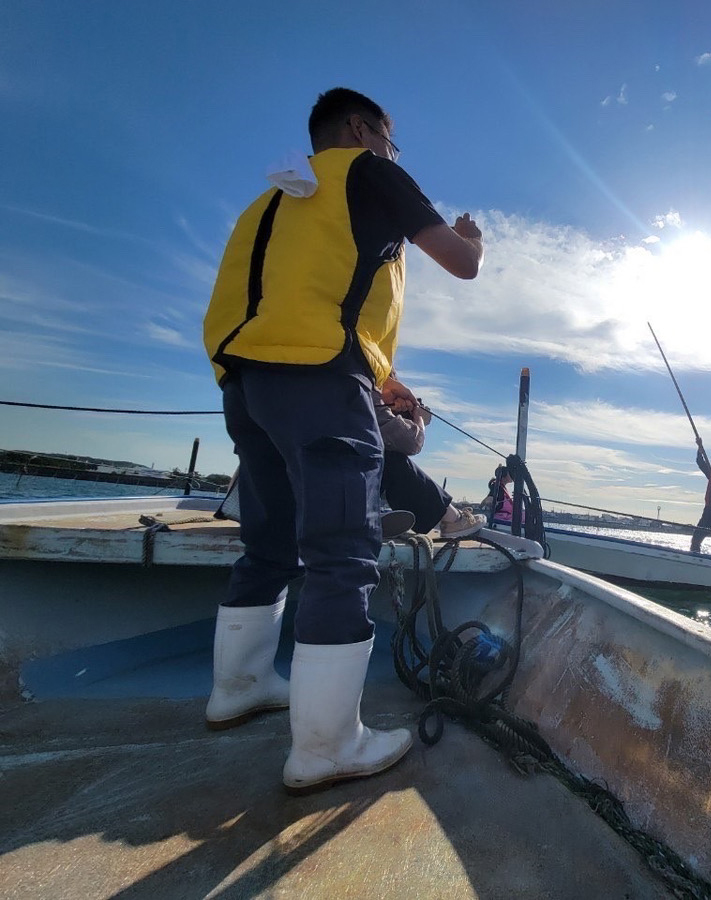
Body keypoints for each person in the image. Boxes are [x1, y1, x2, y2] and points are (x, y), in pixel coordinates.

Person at [201, 87, 484, 794]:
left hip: (246, 383)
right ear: (361, 131)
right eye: (391, 140)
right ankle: (326, 747)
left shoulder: (270, 201)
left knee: (266, 541)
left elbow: (306, 293)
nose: (394, 154)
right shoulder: (368, 171)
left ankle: (237, 688)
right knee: (340, 555)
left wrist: (374, 372)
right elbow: (461, 262)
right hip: (319, 381)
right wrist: (472, 236)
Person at [375, 393, 484, 539]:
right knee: (391, 459)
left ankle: (367, 515)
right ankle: (452, 520)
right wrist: (418, 418)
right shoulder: (359, 388)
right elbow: (411, 441)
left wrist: (396, 412)